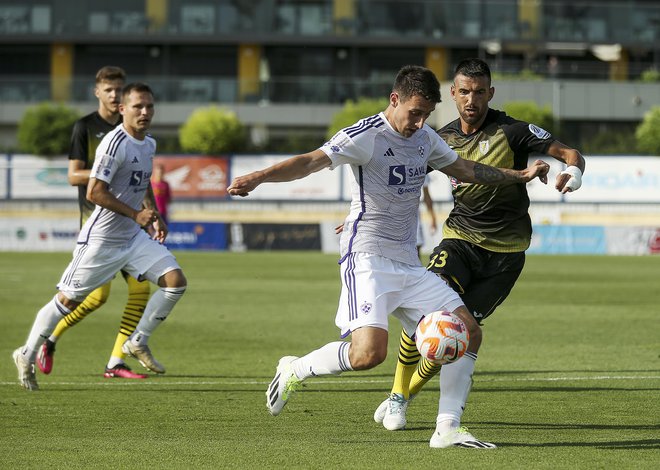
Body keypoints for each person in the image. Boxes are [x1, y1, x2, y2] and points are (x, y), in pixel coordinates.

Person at [227, 65, 550, 448]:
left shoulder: (426, 137)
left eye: (426, 114)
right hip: (367, 258)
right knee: (368, 355)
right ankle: (295, 368)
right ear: (394, 100)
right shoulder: (364, 136)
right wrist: (258, 176)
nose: (419, 122)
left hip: (408, 263)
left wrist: (518, 175)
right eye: (414, 112)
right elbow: (310, 161)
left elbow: (465, 168)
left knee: (469, 332)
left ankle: (447, 428)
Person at [373, 58, 586, 448]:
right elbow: (398, 178)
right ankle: (398, 397)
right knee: (431, 317)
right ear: (452, 94)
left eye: (479, 91)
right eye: (464, 91)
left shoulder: (514, 131)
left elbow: (568, 152)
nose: (471, 99)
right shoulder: (437, 137)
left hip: (507, 253)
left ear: (490, 93)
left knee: (459, 333)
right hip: (459, 240)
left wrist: (573, 172)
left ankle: (405, 395)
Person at [13, 82, 187, 391]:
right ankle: (27, 353)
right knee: (67, 300)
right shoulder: (113, 143)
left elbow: (143, 181)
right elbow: (94, 192)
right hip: (102, 240)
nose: (145, 112)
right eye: (138, 107)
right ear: (123, 109)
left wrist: (153, 213)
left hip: (132, 238)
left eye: (149, 106)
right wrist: (136, 215)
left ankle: (137, 341)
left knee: (175, 281)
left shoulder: (148, 143)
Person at [36, 66, 153, 380]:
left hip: (128, 226)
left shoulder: (133, 128)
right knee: (96, 297)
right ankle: (49, 338)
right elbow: (73, 175)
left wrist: (149, 208)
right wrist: (108, 171)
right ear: (97, 92)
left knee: (142, 290)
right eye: (109, 89)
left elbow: (141, 174)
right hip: (97, 223)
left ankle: (115, 361)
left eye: (119, 89)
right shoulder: (85, 127)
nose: (115, 95)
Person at [417, 174, 437, 259]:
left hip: (413, 220)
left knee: (416, 252)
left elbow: (427, 196)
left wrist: (433, 219)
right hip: (392, 221)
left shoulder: (420, 164)